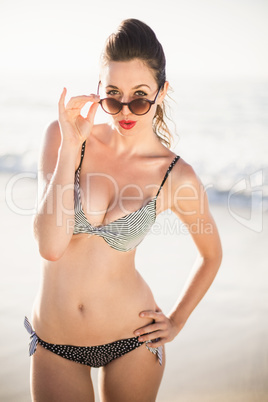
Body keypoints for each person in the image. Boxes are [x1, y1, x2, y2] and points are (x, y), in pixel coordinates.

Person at [25, 18, 222, 402]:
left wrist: (177, 320)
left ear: (162, 92)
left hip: (133, 342)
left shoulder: (175, 176)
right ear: (99, 90)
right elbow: (50, 246)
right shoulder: (64, 139)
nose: (126, 110)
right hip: (55, 342)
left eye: (140, 97)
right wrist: (69, 147)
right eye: (113, 96)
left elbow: (211, 255)